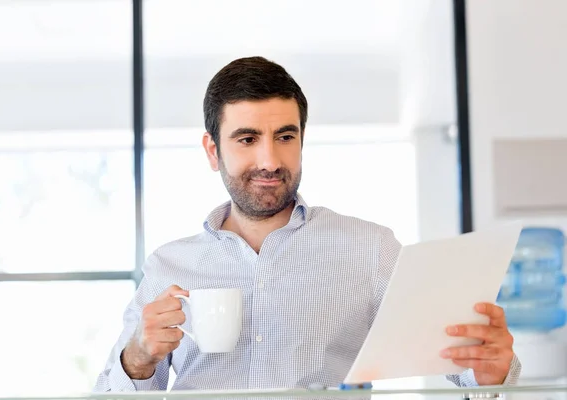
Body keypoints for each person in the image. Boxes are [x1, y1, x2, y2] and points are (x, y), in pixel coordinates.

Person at [93, 56, 521, 392]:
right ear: (212, 150)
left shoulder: (370, 249)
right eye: (247, 139)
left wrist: (492, 369)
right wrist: (138, 357)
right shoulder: (169, 265)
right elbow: (111, 392)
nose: (270, 161)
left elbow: (460, 362)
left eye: (285, 136)